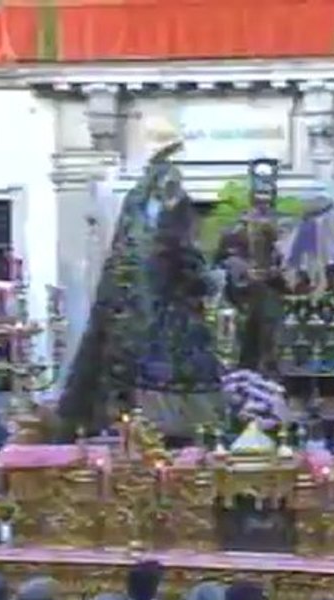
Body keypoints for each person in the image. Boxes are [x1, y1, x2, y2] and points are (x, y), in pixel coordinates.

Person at [58, 143, 222, 441]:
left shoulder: (137, 208)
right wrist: (210, 280)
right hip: (162, 325)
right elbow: (180, 257)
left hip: (137, 314)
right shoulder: (166, 214)